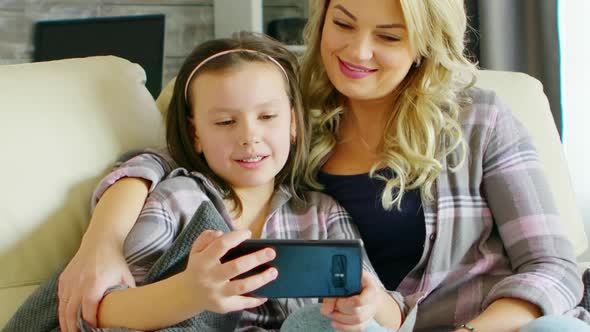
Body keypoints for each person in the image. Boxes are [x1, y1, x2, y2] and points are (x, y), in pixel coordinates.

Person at [59, 0, 590, 331]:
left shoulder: (480, 119)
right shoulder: (288, 109)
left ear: (424, 45)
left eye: (388, 36)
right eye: (343, 22)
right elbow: (169, 157)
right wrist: (102, 240)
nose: (357, 51)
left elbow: (554, 269)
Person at [55, 31, 398, 332]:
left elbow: (385, 310)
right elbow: (101, 310)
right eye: (224, 122)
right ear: (196, 134)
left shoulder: (322, 214)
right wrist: (189, 292)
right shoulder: (178, 201)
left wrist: (369, 304)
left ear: (293, 123)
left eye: (267, 117)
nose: (249, 136)